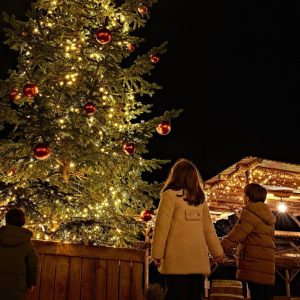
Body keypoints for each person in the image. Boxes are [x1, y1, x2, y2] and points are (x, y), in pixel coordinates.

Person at [151, 158, 224, 300]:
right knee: (194, 295)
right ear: (194, 178)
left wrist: (157, 254)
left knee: (175, 295)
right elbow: (209, 230)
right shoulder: (200, 199)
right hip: (197, 260)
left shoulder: (170, 195)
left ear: (175, 175)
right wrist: (218, 253)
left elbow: (161, 227)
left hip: (176, 260)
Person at [221, 183, 276, 300]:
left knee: (257, 295)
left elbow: (235, 236)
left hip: (253, 264)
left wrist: (219, 249)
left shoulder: (250, 213)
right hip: (267, 266)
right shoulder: (268, 215)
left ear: (248, 197)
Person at [0, 208, 39, 300]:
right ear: (23, 221)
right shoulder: (27, 242)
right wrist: (31, 283)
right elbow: (33, 264)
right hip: (17, 286)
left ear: (7, 220)